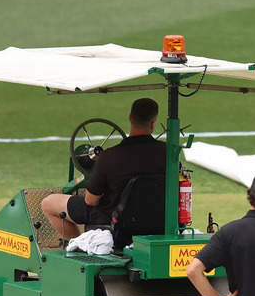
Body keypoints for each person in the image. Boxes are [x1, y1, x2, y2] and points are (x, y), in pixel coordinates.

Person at [41, 97, 165, 239]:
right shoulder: (168, 153)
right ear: (153, 124)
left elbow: (90, 201)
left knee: (48, 203)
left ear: (130, 118)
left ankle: (77, 244)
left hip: (112, 220)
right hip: (155, 220)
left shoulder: (109, 156)